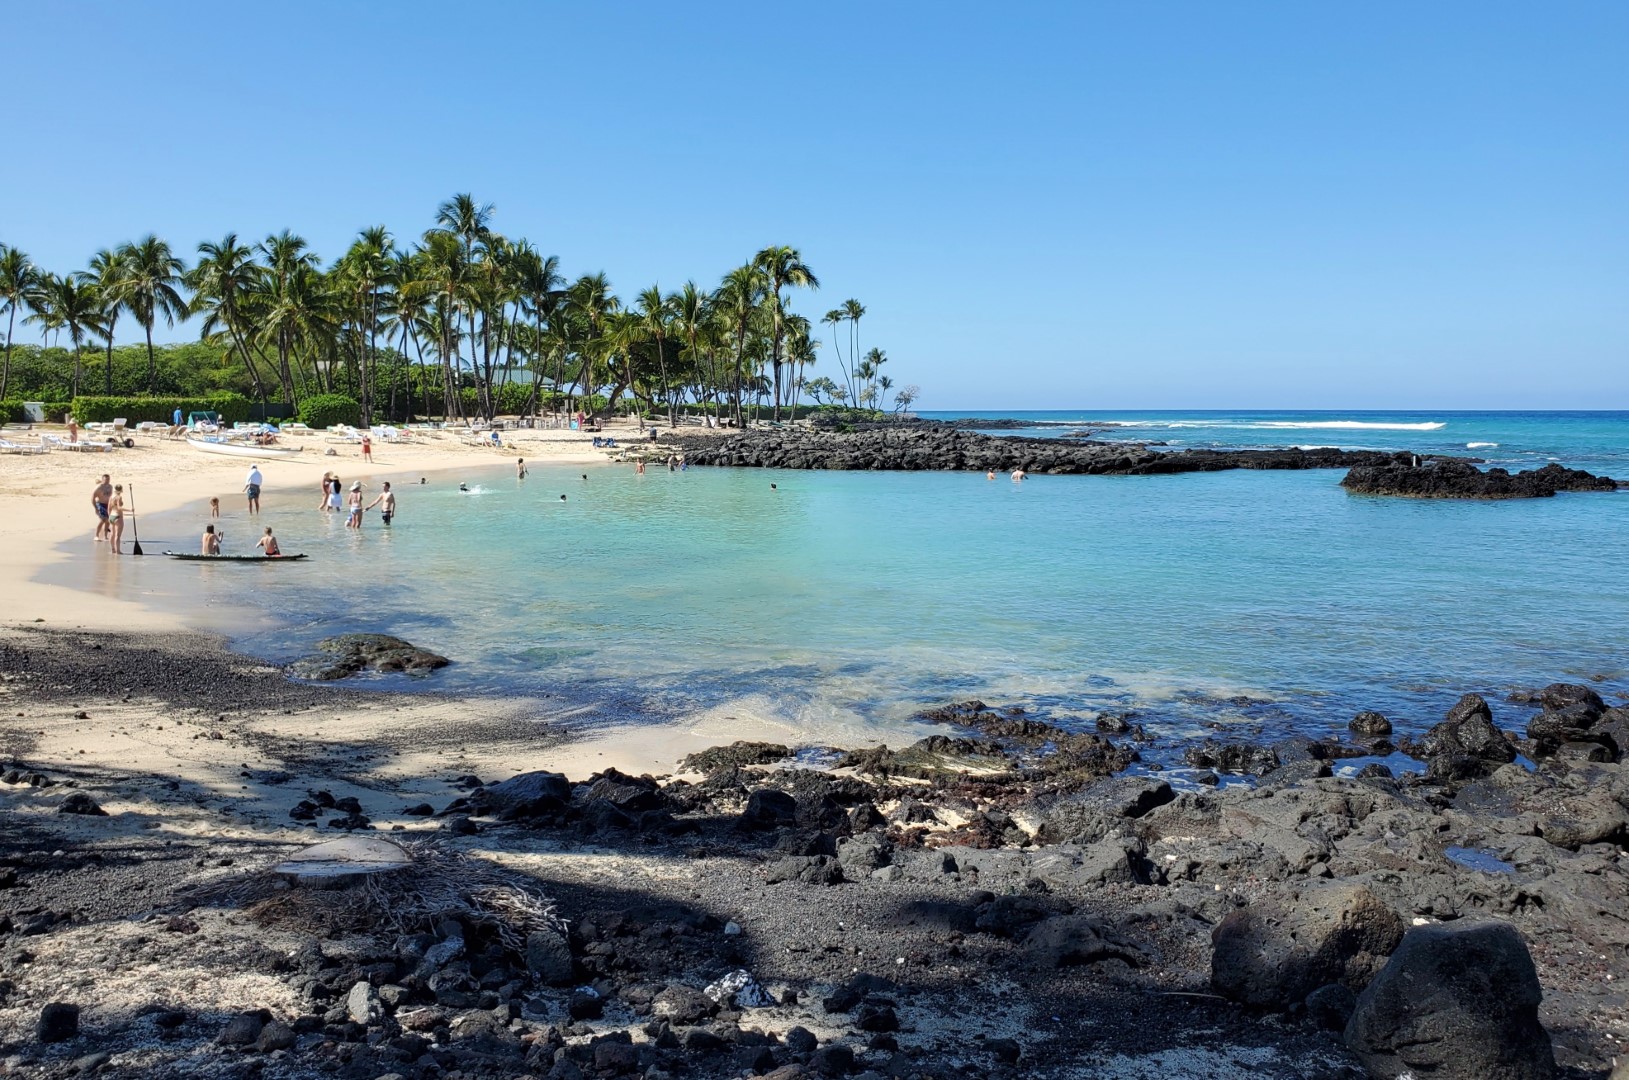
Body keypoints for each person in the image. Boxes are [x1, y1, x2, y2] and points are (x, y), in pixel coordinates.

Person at [92, 474, 112, 541]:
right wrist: (95, 508)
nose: (107, 481)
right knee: (103, 519)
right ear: (103, 479)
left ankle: (106, 536)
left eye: (108, 479)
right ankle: (96, 535)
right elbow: (92, 498)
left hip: (108, 505)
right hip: (100, 504)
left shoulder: (110, 487)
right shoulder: (99, 487)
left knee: (108, 521)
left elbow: (111, 497)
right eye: (106, 479)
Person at [107, 485, 127, 554]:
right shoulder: (119, 497)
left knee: (112, 534)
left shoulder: (111, 497)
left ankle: (113, 549)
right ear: (121, 490)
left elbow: (109, 508)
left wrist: (109, 516)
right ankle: (118, 551)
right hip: (118, 516)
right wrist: (130, 510)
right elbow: (119, 508)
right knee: (117, 536)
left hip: (112, 516)